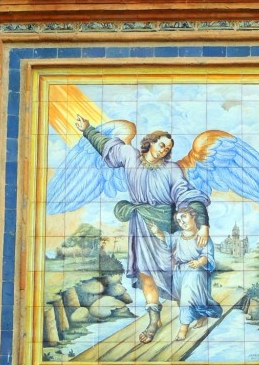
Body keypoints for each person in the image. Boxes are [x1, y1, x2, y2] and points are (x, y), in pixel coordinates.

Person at [75, 116, 210, 344]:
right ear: (151, 141)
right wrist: (87, 129)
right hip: (140, 225)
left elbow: (185, 195)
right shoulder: (130, 156)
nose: (164, 150)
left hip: (164, 226)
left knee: (175, 273)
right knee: (146, 275)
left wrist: (203, 223)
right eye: (161, 144)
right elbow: (106, 146)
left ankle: (193, 309)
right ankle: (154, 321)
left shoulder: (172, 169)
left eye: (167, 148)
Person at [172, 206, 222, 341]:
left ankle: (183, 328)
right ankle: (201, 316)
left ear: (193, 216)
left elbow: (207, 255)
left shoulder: (202, 236)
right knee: (182, 297)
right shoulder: (177, 235)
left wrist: (199, 262)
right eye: (178, 220)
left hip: (196, 269)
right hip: (179, 271)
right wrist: (157, 232)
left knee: (187, 296)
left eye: (184, 217)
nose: (181, 222)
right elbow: (166, 241)